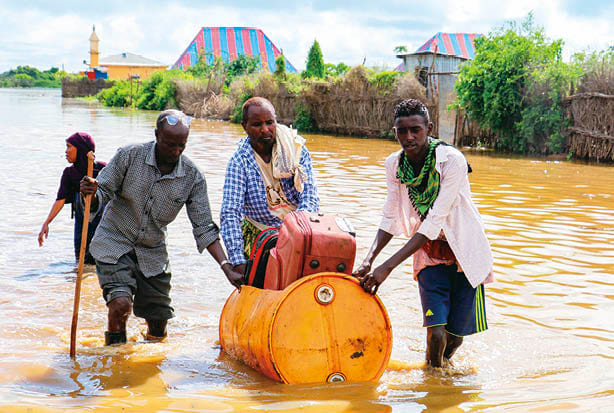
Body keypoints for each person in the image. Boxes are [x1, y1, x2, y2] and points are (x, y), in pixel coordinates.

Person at [80, 109, 244, 346]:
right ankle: (115, 364)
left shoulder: (192, 176)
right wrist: (91, 193)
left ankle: (152, 360)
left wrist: (226, 266)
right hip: (113, 242)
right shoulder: (129, 156)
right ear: (157, 136)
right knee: (120, 305)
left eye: (181, 146)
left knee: (159, 322)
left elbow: (204, 227)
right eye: (169, 145)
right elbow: (101, 192)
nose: (175, 151)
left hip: (152, 252)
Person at [353, 99, 494, 368]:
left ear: (428, 128)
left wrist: (386, 267)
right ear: (394, 132)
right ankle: (433, 383)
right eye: (402, 131)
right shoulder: (395, 165)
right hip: (429, 254)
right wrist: (369, 260)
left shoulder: (452, 161)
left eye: (415, 130)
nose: (409, 137)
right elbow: (390, 213)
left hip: (465, 253)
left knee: (454, 338)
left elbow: (434, 220)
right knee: (436, 331)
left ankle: (442, 371)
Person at [220, 97, 319, 275]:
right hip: (260, 233)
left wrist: (294, 232)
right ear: (245, 127)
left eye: (269, 122)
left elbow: (310, 197)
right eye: (257, 124)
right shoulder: (239, 162)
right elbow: (230, 212)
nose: (265, 130)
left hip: (298, 229)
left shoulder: (295, 150)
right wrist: (237, 261)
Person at [39, 132, 106, 265]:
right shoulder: (69, 174)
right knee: (83, 262)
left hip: (103, 223)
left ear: (81, 149)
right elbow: (60, 200)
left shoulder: (102, 169)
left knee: (102, 261)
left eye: (69, 147)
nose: (66, 151)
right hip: (81, 225)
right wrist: (46, 223)